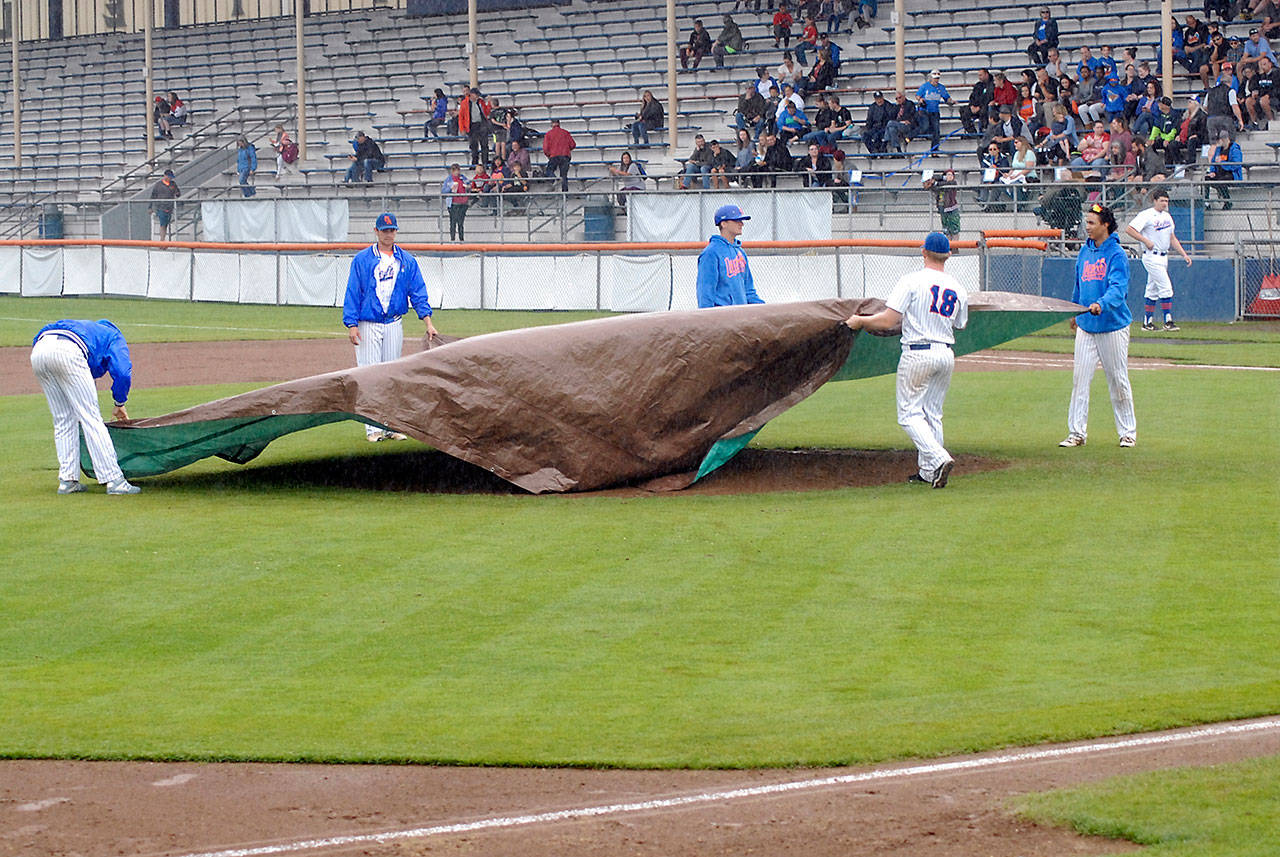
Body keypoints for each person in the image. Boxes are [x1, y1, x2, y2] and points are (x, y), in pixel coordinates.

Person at [844, 232, 968, 489]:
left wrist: (861, 321)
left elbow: (889, 320)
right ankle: (927, 471)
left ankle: (938, 458)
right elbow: (961, 323)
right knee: (933, 413)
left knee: (909, 415)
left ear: (923, 252)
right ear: (949, 255)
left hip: (918, 351)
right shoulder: (957, 287)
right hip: (945, 351)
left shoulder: (911, 281)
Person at [342, 213, 440, 442]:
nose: (388, 234)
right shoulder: (362, 259)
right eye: (384, 230)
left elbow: (418, 292)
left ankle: (391, 425)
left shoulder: (406, 260)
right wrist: (351, 324)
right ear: (376, 231)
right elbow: (353, 292)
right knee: (369, 374)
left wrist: (428, 321)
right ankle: (372, 427)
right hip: (368, 323)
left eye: (392, 230)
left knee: (391, 375)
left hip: (394, 321)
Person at [30, 319, 141, 495]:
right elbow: (122, 373)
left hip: (39, 350)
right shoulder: (114, 336)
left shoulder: (89, 330)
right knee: (91, 418)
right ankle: (114, 480)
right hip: (69, 351)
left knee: (63, 419)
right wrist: (119, 403)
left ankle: (67, 481)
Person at [1060, 203, 1136, 449]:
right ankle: (1076, 433)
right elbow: (1078, 284)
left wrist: (1101, 304)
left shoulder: (1117, 254)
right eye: (1087, 221)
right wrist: (1074, 309)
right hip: (1086, 325)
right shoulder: (1084, 252)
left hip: (1112, 326)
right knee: (1080, 379)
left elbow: (1118, 289)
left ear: (1105, 225)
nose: (1087, 226)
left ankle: (1127, 432)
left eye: (1092, 222)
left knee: (1117, 379)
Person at [1124, 187, 1192, 332]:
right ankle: (1168, 320)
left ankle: (1147, 323)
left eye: (1166, 201)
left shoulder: (1167, 216)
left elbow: (1172, 238)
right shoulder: (1146, 215)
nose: (1164, 203)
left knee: (1152, 290)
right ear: (1154, 201)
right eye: (1161, 201)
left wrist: (1183, 254)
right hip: (1151, 255)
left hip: (1163, 255)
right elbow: (1129, 229)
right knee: (1166, 287)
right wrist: (1145, 240)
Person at [696, 204, 763, 308]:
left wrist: (764, 308)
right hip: (722, 318)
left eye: (741, 220)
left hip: (741, 316)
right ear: (723, 223)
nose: (741, 224)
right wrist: (707, 320)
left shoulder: (740, 252)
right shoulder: (711, 253)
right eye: (736, 220)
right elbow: (705, 293)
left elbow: (749, 291)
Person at [1206, 130, 1242, 209]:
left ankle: (1227, 201)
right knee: (1206, 178)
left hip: (1232, 174)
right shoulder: (1218, 150)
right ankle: (1206, 202)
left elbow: (1237, 164)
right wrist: (1212, 171)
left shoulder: (1234, 149)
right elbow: (1213, 162)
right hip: (1220, 173)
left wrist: (1222, 162)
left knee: (1222, 180)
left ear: (1224, 139)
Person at [541, 118, 576, 193]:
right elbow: (573, 144)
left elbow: (545, 148)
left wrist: (549, 155)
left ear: (551, 124)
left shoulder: (548, 134)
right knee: (564, 175)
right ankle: (565, 193)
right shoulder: (565, 133)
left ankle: (554, 179)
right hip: (565, 155)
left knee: (549, 170)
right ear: (559, 124)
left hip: (554, 155)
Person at [924, 169, 960, 237]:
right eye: (948, 174)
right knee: (946, 231)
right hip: (943, 209)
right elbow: (934, 180)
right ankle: (948, 246)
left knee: (955, 230)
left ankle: (955, 246)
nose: (950, 176)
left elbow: (944, 184)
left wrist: (935, 183)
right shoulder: (940, 183)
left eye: (951, 175)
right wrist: (942, 178)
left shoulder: (953, 183)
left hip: (952, 209)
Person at [1244, 55, 1276, 129]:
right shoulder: (1257, 76)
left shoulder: (1276, 73)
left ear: (1270, 64)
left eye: (1264, 64)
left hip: (1274, 97)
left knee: (1263, 100)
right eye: (1261, 65)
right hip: (1261, 97)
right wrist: (1255, 91)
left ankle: (1271, 122)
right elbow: (1252, 87)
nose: (1262, 66)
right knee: (1249, 101)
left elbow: (1277, 88)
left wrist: (1268, 95)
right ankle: (1255, 123)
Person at [150, 169, 180, 240]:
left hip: (169, 207)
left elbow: (178, 193)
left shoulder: (173, 184)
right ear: (165, 176)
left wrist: (177, 193)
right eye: (169, 177)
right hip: (161, 207)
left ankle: (163, 239)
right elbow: (153, 196)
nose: (170, 179)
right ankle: (162, 239)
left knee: (166, 224)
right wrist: (150, 207)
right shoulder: (158, 185)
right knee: (162, 224)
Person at [442, 164, 469, 241]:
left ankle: (461, 239)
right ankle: (452, 239)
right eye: (455, 170)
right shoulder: (449, 179)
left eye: (458, 170)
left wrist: (467, 187)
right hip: (453, 204)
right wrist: (451, 189)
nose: (457, 172)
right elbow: (443, 191)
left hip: (463, 203)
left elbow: (469, 185)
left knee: (461, 223)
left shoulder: (463, 178)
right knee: (453, 222)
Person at [963, 69, 995, 134]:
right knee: (963, 110)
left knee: (984, 110)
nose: (979, 77)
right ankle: (971, 132)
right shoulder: (978, 85)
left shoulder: (992, 85)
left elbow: (989, 98)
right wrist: (972, 105)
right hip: (975, 107)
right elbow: (972, 96)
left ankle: (984, 129)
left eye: (981, 75)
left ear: (986, 74)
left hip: (985, 107)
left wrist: (979, 107)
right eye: (979, 75)